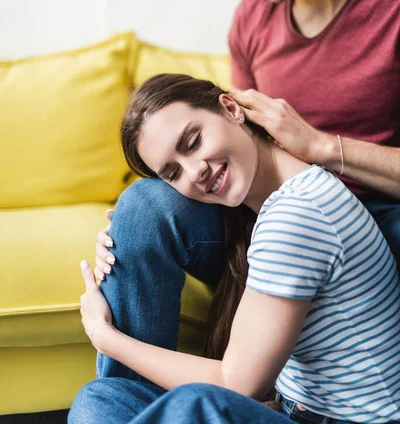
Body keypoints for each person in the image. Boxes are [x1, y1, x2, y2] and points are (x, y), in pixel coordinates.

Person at [69, 74, 400, 423]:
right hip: (295, 409)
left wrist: (104, 335)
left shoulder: (294, 217)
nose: (194, 172)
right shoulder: (286, 196)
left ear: (231, 108)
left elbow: (237, 384)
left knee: (191, 404)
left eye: (193, 141)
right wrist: (127, 230)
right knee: (99, 401)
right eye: (172, 173)